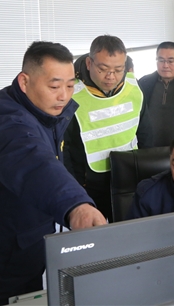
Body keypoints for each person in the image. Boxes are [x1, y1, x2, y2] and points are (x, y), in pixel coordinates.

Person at [0, 42, 106, 306]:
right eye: (54, 86)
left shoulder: (43, 112)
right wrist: (77, 206)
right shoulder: (8, 122)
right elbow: (35, 164)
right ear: (24, 81)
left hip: (26, 248)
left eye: (70, 85)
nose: (64, 96)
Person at [63, 35, 153, 222]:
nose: (111, 76)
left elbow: (146, 136)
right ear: (89, 63)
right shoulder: (72, 96)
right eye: (103, 69)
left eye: (118, 70)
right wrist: (76, 193)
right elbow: (68, 150)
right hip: (90, 185)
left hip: (130, 179)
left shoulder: (133, 88)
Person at [138, 42, 174, 147]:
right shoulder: (144, 83)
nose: (165, 65)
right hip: (148, 148)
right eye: (161, 60)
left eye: (170, 61)